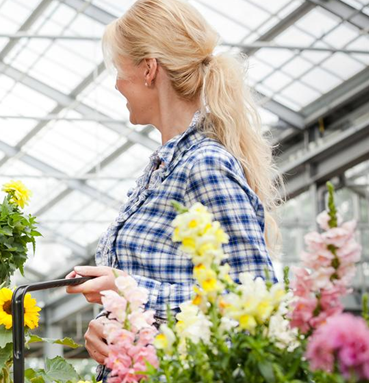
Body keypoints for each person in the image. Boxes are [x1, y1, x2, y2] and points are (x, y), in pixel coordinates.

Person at [65, 0, 280, 364]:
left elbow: (256, 299)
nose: (116, 84)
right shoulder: (163, 168)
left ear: (149, 69)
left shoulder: (205, 164)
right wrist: (108, 323)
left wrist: (129, 290)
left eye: (118, 69)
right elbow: (168, 292)